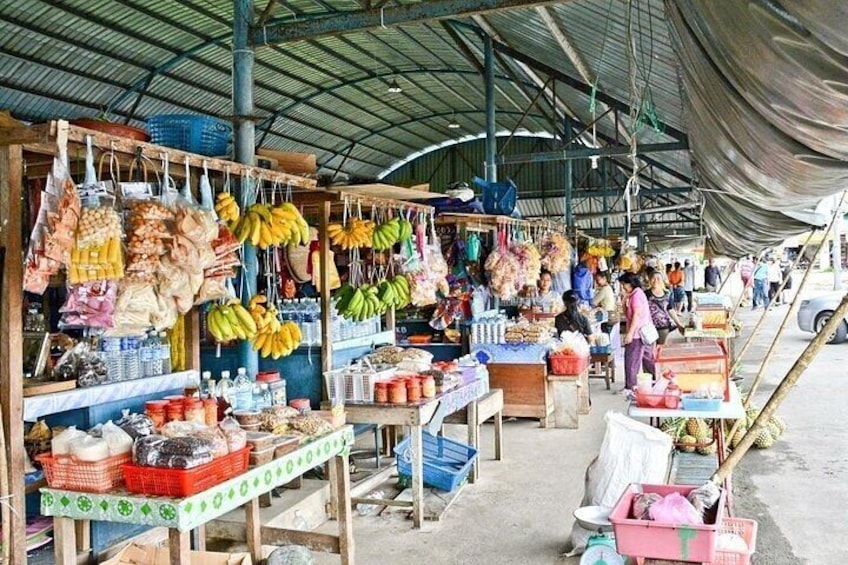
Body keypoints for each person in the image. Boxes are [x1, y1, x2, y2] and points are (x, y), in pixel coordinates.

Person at [619, 272, 656, 392]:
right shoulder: (634, 294)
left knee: (631, 360)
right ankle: (656, 381)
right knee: (648, 359)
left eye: (624, 284)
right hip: (641, 333)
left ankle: (630, 387)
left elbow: (636, 316)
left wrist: (630, 333)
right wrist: (624, 298)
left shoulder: (636, 296)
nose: (623, 286)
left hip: (637, 334)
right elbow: (626, 313)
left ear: (630, 284)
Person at [647, 273, 685, 345]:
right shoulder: (645, 294)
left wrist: (679, 324)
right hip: (649, 327)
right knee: (650, 349)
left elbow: (670, 309)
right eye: (653, 278)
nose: (656, 280)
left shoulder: (667, 294)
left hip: (663, 326)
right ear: (650, 280)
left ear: (662, 281)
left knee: (660, 347)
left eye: (658, 278)